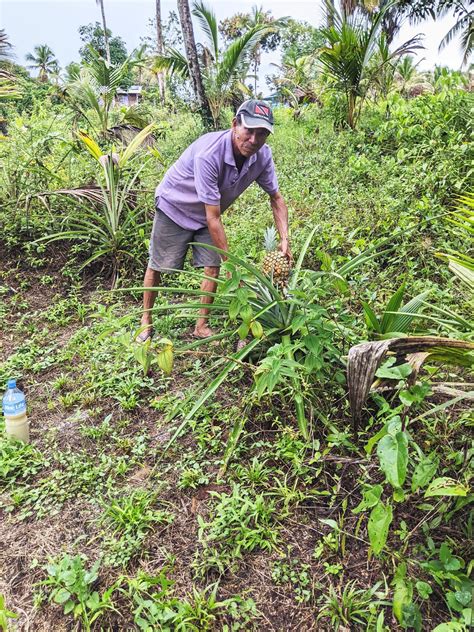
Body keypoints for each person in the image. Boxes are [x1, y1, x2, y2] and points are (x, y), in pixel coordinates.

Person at [138, 99, 291, 341]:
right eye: (248, 131)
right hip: (175, 206)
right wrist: (232, 268)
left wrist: (285, 240)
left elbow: (276, 197)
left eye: (261, 134)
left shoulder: (262, 155)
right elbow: (213, 217)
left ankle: (201, 325)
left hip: (209, 213)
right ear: (234, 125)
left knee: (213, 266)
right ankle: (145, 320)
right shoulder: (209, 153)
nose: (253, 140)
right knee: (159, 264)